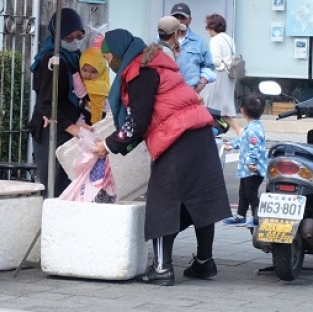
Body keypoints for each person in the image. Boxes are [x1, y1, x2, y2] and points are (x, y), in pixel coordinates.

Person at [90, 29, 231, 286]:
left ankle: (162, 269)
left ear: (120, 53)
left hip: (178, 139)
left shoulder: (141, 73)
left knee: (161, 203)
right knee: (200, 199)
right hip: (199, 135)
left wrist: (109, 145)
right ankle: (204, 262)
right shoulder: (156, 64)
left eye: (109, 57)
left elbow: (139, 121)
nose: (109, 63)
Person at [28, 8, 89, 196]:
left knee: (72, 187)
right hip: (51, 129)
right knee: (54, 188)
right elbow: (46, 104)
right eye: (69, 38)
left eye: (79, 36)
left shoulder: (77, 57)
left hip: (70, 127)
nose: (75, 42)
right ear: (58, 36)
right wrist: (73, 128)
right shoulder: (51, 60)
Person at [222, 94, 268, 227]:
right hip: (247, 169)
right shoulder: (252, 126)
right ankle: (241, 216)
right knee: (243, 193)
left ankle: (257, 218)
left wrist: (250, 163)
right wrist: (231, 145)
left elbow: (254, 147)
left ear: (242, 110)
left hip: (252, 169)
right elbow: (243, 140)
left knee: (251, 194)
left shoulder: (253, 129)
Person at [170, 3, 216, 103]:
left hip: (191, 94)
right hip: (168, 95)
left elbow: (209, 66)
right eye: (176, 17)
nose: (179, 21)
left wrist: (201, 85)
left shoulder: (199, 41)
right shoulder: (161, 40)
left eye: (183, 17)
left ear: (190, 20)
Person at [202, 13, 238, 127]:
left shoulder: (215, 40)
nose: (207, 30)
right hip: (229, 76)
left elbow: (216, 61)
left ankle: (212, 130)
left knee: (210, 106)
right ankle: (237, 130)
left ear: (212, 27)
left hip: (219, 76)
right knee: (222, 109)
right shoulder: (229, 39)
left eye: (207, 27)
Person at [72, 47, 111, 125]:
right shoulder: (91, 81)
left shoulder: (98, 88)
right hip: (88, 109)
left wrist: (95, 125)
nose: (88, 74)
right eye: (84, 70)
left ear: (100, 71)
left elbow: (97, 109)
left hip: (97, 114)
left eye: (93, 72)